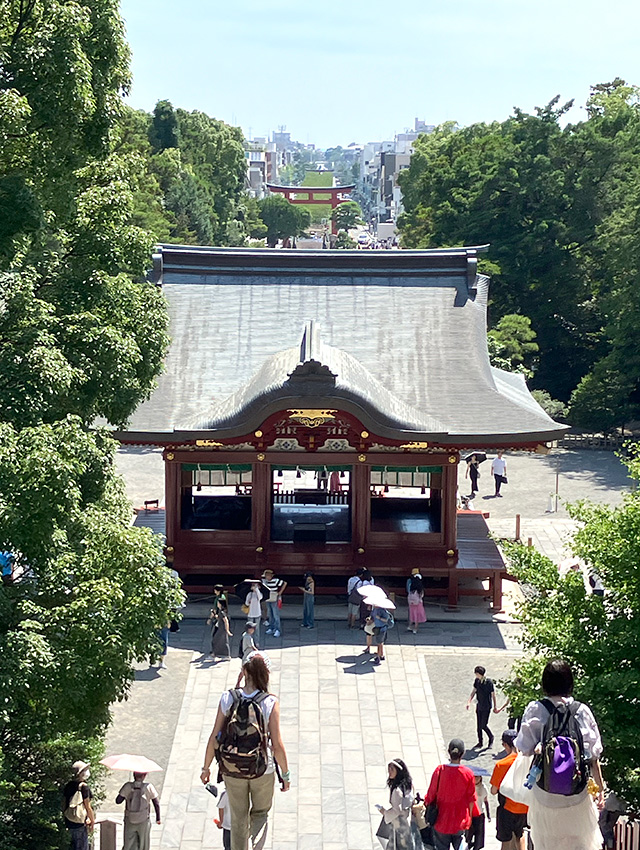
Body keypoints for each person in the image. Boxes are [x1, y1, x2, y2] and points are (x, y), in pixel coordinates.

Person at [200, 652, 290, 850]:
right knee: (260, 813)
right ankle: (255, 846)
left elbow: (215, 736)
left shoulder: (228, 698)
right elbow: (277, 745)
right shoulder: (270, 702)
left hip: (231, 768)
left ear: (244, 671)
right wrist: (285, 774)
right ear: (266, 674)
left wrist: (205, 768)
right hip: (261, 769)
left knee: (239, 817)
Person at [514, 659, 604, 850]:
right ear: (570, 683)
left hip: (545, 793)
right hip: (577, 793)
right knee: (581, 842)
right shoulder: (582, 711)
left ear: (545, 684)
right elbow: (593, 755)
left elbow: (523, 747)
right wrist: (600, 790)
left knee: (547, 843)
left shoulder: (536, 709)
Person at [425, 738, 476, 850]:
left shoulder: (440, 771)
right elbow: (471, 799)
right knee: (461, 843)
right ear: (462, 754)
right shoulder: (468, 774)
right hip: (460, 820)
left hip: (441, 820)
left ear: (449, 751)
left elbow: (430, 795)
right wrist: (469, 819)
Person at [490, 730, 528, 850]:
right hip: (524, 807)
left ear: (505, 745)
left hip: (507, 808)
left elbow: (493, 791)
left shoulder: (501, 765)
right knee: (520, 835)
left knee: (505, 840)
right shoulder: (526, 762)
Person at [375, 758, 417, 849]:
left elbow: (396, 811)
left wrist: (384, 812)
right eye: (389, 769)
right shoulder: (409, 784)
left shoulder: (397, 791)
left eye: (392, 769)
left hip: (398, 824)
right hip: (407, 820)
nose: (389, 772)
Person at [115, 771, 161, 850]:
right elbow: (156, 803)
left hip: (130, 819)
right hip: (144, 820)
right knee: (144, 844)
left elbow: (118, 801)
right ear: (144, 776)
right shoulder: (149, 787)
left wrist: (127, 791)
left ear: (133, 775)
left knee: (128, 843)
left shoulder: (128, 786)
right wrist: (158, 818)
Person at [62, 760, 95, 850]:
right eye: (85, 770)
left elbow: (64, 803)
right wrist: (92, 821)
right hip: (80, 822)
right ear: (80, 773)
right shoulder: (84, 787)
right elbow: (87, 806)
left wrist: (65, 817)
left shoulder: (68, 785)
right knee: (81, 846)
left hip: (69, 820)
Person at [466, 666, 497, 748]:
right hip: (479, 706)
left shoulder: (488, 682)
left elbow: (493, 695)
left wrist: (495, 706)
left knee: (484, 724)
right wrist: (469, 701)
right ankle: (480, 742)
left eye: (476, 674)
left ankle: (491, 737)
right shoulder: (477, 681)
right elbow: (474, 691)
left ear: (479, 674)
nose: (476, 675)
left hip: (486, 706)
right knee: (478, 726)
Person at [466, 769, 490, 850]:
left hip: (480, 813)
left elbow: (486, 801)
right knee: (468, 833)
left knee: (479, 834)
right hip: (469, 813)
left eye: (478, 777)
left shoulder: (483, 787)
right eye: (474, 777)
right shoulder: (468, 786)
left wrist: (488, 815)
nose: (476, 779)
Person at [261, 569, 286, 637]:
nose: (267, 577)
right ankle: (271, 628)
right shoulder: (264, 581)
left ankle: (277, 629)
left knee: (276, 614)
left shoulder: (276, 580)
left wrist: (280, 592)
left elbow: (284, 583)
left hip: (274, 598)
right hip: (268, 598)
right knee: (270, 614)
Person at [209, 595, 233, 661]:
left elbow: (226, 621)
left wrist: (227, 630)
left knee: (217, 641)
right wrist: (215, 615)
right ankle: (219, 654)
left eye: (218, 603)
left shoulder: (222, 612)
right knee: (220, 641)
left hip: (222, 628)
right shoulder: (220, 611)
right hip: (219, 627)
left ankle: (216, 654)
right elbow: (220, 618)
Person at [216, 784, 232, 850]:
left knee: (227, 846)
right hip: (241, 827)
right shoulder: (246, 793)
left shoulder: (225, 794)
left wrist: (221, 822)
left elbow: (221, 807)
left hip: (227, 825)